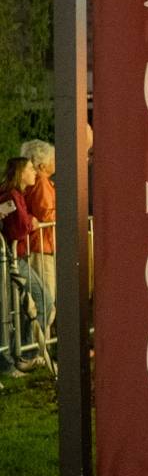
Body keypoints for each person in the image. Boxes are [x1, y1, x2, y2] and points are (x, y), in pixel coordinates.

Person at [1, 157, 50, 373]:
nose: (35, 172)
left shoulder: (16, 195)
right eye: (31, 169)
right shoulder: (10, 195)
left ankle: (22, 352)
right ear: (21, 173)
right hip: (11, 259)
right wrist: (31, 222)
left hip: (14, 257)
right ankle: (24, 354)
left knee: (40, 301)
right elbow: (18, 228)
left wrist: (28, 220)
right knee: (41, 299)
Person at [19, 140, 56, 335]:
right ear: (42, 165)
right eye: (52, 159)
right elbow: (46, 214)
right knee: (44, 298)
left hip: (38, 245)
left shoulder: (37, 182)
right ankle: (39, 350)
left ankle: (39, 348)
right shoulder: (41, 182)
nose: (56, 162)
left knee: (40, 299)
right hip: (40, 247)